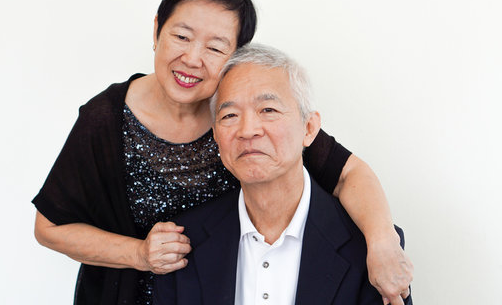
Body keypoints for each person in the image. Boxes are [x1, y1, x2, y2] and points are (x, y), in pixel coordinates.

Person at [33, 0, 412, 305]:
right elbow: (50, 227)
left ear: (234, 57)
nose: (193, 59)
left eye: (215, 47)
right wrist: (140, 254)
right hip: (127, 293)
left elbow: (349, 173)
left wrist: (381, 243)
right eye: (181, 36)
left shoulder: (244, 115)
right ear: (156, 31)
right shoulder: (106, 117)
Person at [154, 44, 412, 305]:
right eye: (230, 115)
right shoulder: (184, 244)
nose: (248, 130)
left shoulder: (370, 248)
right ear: (216, 137)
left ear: (309, 128)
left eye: (268, 110)